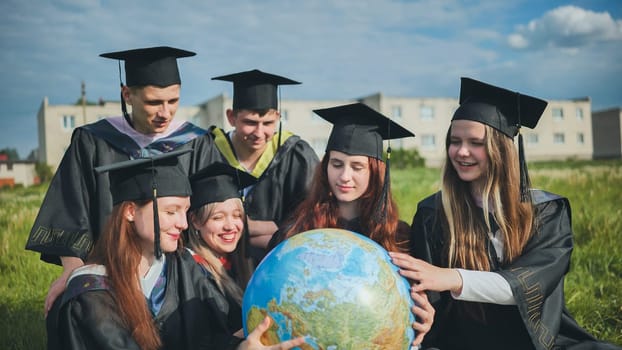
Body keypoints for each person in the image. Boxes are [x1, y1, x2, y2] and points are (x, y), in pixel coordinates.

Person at [390, 77, 621, 350]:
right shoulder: (434, 213)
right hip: (463, 342)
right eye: (455, 141)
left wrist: (453, 277)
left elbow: (530, 283)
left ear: (500, 149)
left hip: (537, 340)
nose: (462, 152)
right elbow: (429, 300)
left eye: (475, 142)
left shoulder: (546, 212)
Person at [46, 150, 306, 350]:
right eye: (171, 211)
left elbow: (213, 340)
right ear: (130, 211)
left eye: (185, 210)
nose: (182, 224)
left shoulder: (186, 268)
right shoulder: (92, 293)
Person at [25, 46, 215, 314]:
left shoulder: (196, 142)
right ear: (127, 95)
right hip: (110, 269)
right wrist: (74, 273)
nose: (165, 113)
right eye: (153, 102)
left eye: (173, 101)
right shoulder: (93, 141)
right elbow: (70, 207)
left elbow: (213, 207)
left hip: (180, 273)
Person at [269, 102, 435, 348]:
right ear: (325, 167)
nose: (344, 176)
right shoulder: (297, 231)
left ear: (375, 173)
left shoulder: (398, 236)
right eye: (336, 164)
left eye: (357, 167)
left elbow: (415, 310)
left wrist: (428, 318)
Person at [208, 69, 319, 261]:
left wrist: (251, 228)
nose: (259, 133)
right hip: (216, 269)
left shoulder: (297, 155)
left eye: (267, 123)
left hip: (275, 266)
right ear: (231, 117)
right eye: (250, 122)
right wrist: (271, 227)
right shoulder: (208, 152)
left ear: (277, 117)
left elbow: (310, 220)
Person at [186, 162, 257, 332]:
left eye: (237, 216)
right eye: (218, 218)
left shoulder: (242, 264)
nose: (230, 226)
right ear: (195, 220)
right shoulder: (190, 272)